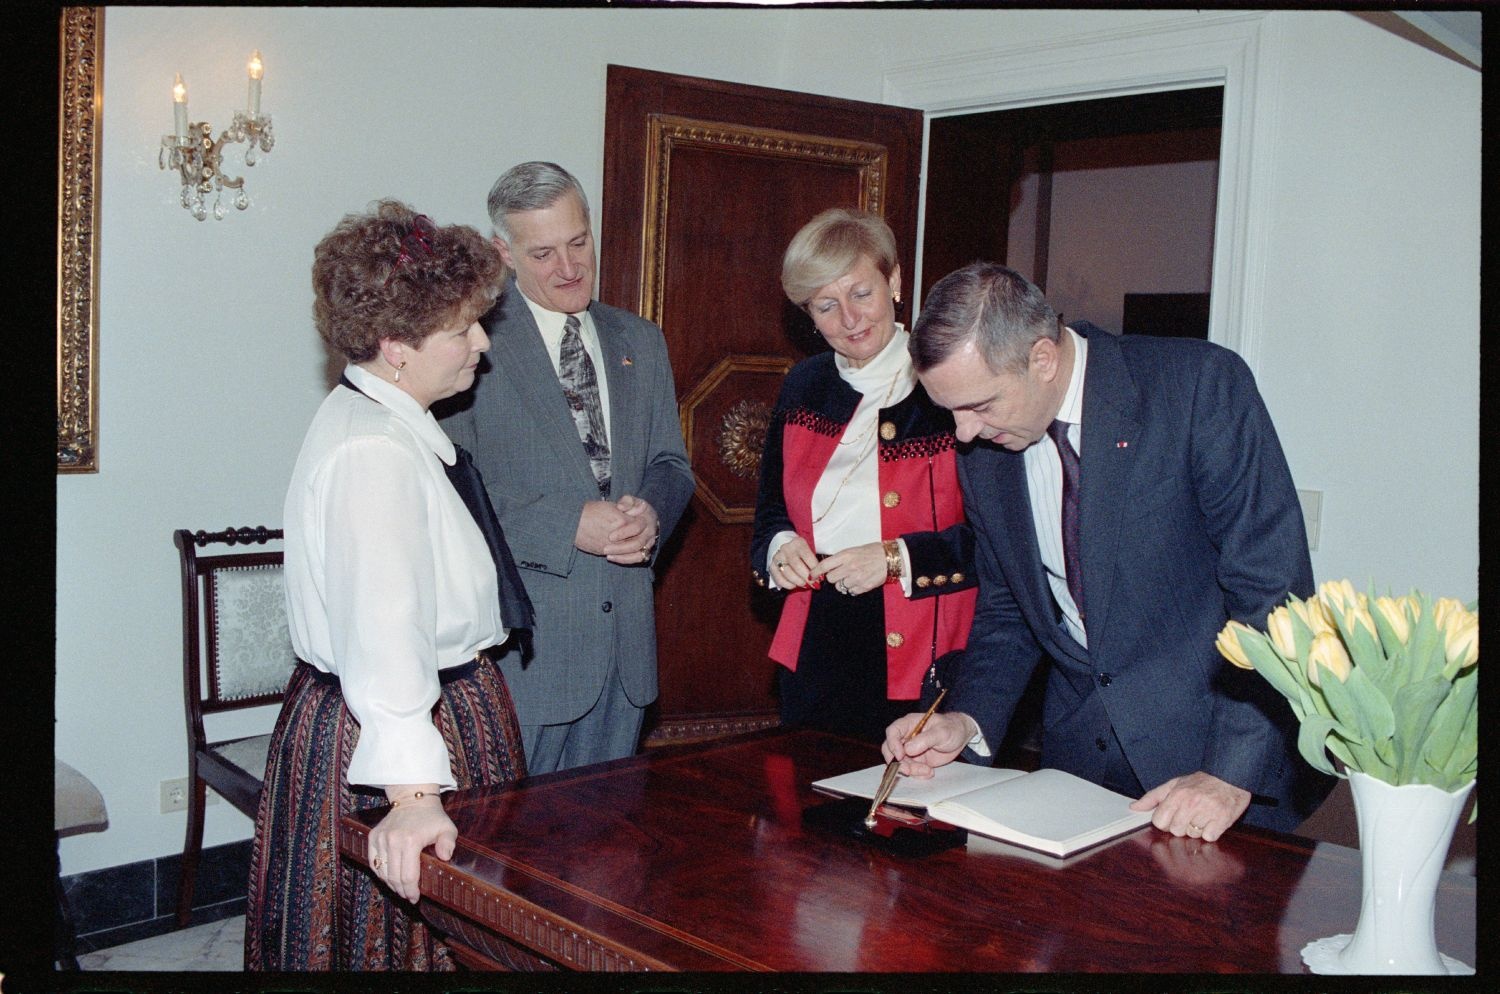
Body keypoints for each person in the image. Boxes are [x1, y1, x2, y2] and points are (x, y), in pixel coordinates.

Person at [884, 261, 1333, 840]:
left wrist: (1228, 772)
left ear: (1042, 358)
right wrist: (966, 720)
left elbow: (1273, 593)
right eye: (951, 413)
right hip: (1077, 768)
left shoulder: (1197, 387)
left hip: (1214, 768)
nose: (964, 434)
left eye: (980, 406)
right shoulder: (985, 452)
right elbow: (1010, 610)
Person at [245, 201, 531, 971]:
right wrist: (410, 798)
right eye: (463, 329)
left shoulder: (382, 422)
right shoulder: (373, 453)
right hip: (397, 733)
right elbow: (384, 630)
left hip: (425, 715)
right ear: (396, 345)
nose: (482, 343)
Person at [438, 162, 693, 774]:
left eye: (579, 242)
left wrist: (651, 511)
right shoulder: (467, 344)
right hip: (525, 662)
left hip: (626, 654)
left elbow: (671, 463)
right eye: (545, 253)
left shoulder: (640, 339)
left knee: (608, 855)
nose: (570, 267)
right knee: (511, 859)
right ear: (505, 252)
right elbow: (450, 490)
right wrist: (566, 525)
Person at [750, 208, 977, 742]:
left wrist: (896, 558)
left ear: (895, 282)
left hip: (926, 639)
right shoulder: (803, 385)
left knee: (909, 813)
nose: (849, 319)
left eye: (861, 293)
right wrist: (779, 545)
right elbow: (769, 515)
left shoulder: (948, 384)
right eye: (826, 306)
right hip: (816, 636)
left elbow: (998, 543)